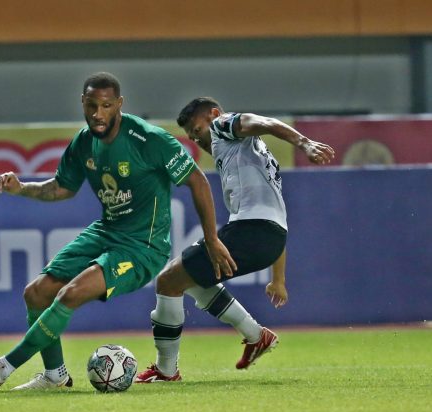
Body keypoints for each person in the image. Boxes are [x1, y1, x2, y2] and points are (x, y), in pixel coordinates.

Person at [0, 74, 233, 391]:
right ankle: (55, 375)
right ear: (83, 103)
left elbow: (198, 181)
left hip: (142, 248)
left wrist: (212, 239)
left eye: (106, 106)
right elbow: (61, 188)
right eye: (92, 105)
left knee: (71, 293)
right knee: (36, 292)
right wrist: (21, 188)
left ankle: (3, 367)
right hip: (106, 232)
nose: (98, 113)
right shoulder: (83, 142)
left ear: (119, 105)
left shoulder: (149, 139)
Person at [136, 97, 334, 383]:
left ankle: (166, 370)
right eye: (191, 136)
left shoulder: (222, 125)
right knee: (189, 280)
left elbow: (264, 122)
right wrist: (278, 277)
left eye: (197, 129)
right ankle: (256, 336)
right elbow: (277, 218)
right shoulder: (249, 154)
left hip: (251, 231)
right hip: (268, 237)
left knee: (168, 281)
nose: (197, 139)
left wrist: (305, 143)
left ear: (214, 115)